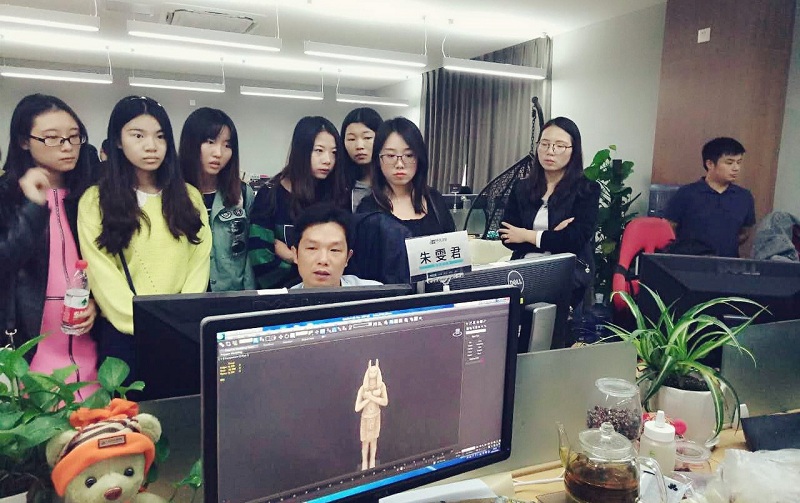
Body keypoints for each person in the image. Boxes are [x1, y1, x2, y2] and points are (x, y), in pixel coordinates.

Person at [78, 96, 211, 374]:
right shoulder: (96, 201)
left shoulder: (189, 197)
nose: (151, 146)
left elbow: (199, 261)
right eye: (138, 135)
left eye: (160, 137)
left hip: (182, 332)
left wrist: (181, 318)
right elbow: (101, 272)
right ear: (117, 140)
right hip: (124, 336)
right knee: (126, 403)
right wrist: (147, 323)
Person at [0, 94, 99, 397]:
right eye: (53, 138)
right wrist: (33, 205)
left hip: (86, 343)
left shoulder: (89, 197)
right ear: (24, 141)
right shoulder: (6, 196)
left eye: (74, 136)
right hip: (31, 346)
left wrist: (97, 303)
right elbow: (5, 261)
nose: (67, 146)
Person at [499, 116, 600, 308]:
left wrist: (526, 235)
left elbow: (575, 239)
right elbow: (507, 235)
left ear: (573, 151)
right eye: (544, 144)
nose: (550, 151)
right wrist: (553, 236)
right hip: (522, 274)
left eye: (559, 146)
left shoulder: (586, 190)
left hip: (567, 277)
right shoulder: (522, 188)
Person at [248, 116, 347, 288]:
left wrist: (291, 256)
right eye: (319, 151)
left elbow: (342, 253)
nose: (328, 160)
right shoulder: (270, 195)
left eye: (334, 153)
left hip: (328, 291)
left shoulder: (336, 195)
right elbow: (260, 257)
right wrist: (302, 276)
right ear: (301, 151)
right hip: (281, 294)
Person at [180, 107, 255, 291]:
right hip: (185, 295)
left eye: (227, 145)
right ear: (191, 143)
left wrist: (249, 296)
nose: (219, 153)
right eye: (210, 142)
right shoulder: (171, 194)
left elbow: (248, 255)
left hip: (230, 295)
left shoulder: (242, 194)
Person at [356, 117, 455, 237]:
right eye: (390, 155)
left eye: (408, 155)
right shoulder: (367, 209)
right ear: (378, 159)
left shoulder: (434, 199)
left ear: (419, 158)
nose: (399, 164)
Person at [664, 137, 756, 258]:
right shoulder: (686, 194)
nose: (736, 168)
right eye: (729, 163)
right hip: (689, 263)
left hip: (727, 263)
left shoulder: (744, 197)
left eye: (739, 162)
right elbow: (669, 228)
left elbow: (745, 233)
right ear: (710, 164)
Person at [290, 204, 382, 289]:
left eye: (334, 250)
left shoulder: (374, 294)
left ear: (347, 257)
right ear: (295, 254)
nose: (323, 260)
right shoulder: (284, 299)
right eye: (312, 248)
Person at [341, 107, 383, 212]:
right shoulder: (339, 185)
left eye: (367, 138)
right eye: (351, 139)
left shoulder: (394, 184)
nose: (359, 146)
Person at [355, 359, 388, 471]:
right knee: (365, 442)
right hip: (365, 417)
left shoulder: (381, 386)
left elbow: (385, 402)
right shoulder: (363, 389)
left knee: (374, 440)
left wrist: (371, 397)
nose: (373, 374)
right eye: (371, 371)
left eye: (375, 371)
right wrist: (368, 398)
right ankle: (365, 461)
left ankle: (372, 460)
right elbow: (357, 408)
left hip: (376, 416)